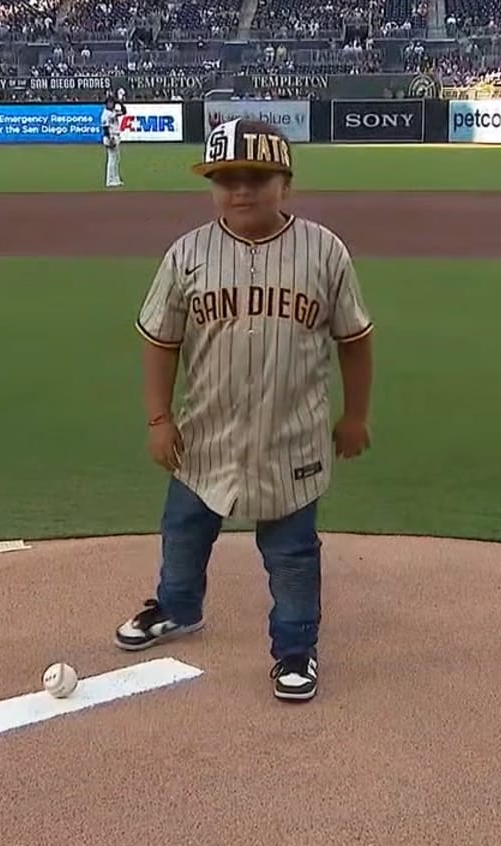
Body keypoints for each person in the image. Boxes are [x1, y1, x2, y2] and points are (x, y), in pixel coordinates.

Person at [114, 119, 375, 703]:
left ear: (286, 182)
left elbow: (354, 339)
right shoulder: (188, 254)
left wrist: (356, 415)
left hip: (292, 441)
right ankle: (179, 609)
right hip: (205, 436)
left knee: (293, 556)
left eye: (257, 177)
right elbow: (161, 340)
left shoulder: (324, 250)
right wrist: (159, 418)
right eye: (226, 178)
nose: (241, 190)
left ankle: (294, 650)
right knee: (183, 531)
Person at [100, 94, 124, 188]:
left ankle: (115, 179)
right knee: (111, 159)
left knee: (116, 159)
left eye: (112, 102)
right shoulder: (105, 114)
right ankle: (109, 180)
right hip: (110, 136)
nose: (111, 104)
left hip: (116, 135)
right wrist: (110, 139)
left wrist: (120, 102)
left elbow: (124, 112)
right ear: (106, 104)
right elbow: (105, 128)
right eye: (109, 102)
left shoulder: (113, 111)